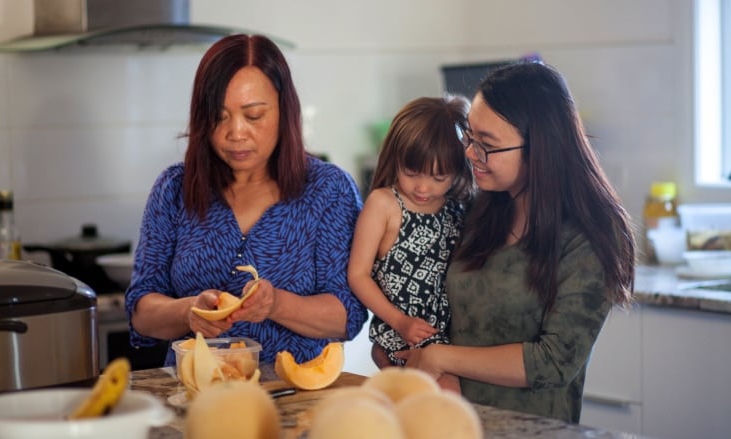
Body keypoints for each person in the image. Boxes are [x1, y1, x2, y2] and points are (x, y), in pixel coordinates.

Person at [396, 61, 636, 423]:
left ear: (539, 147)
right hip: (453, 421)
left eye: (487, 145)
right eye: (470, 136)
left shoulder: (592, 233)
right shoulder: (479, 208)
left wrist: (441, 357)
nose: (470, 153)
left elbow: (554, 362)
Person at [124, 34, 368, 366]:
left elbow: (347, 315)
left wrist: (277, 305)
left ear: (284, 110)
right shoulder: (174, 188)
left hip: (294, 401)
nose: (236, 132)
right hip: (194, 399)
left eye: (253, 115)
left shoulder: (329, 190)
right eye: (219, 116)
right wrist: (187, 311)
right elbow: (141, 311)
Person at [347, 96, 473, 391]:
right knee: (446, 398)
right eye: (411, 173)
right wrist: (400, 321)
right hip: (401, 333)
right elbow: (358, 274)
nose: (423, 187)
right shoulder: (384, 204)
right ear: (396, 159)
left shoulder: (458, 207)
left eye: (439, 177)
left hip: (449, 337)